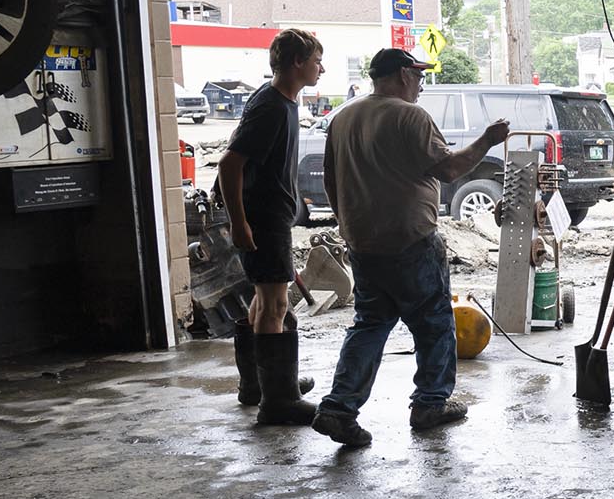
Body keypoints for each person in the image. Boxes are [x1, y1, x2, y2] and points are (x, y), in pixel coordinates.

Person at [310, 48, 509, 447]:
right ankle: (430, 404)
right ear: (402, 74)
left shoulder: (344, 117)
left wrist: (349, 226)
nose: (420, 85)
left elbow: (331, 180)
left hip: (364, 243)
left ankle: (339, 408)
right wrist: (487, 140)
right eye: (417, 76)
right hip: (410, 242)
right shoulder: (409, 115)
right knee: (434, 325)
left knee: (369, 326)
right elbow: (450, 168)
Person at [217, 28, 323, 426]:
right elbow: (230, 164)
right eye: (316, 61)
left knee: (264, 302)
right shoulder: (272, 107)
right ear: (297, 62)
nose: (321, 68)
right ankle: (279, 402)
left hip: (270, 216)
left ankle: (260, 386)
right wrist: (239, 222)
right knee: (276, 305)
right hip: (262, 219)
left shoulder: (280, 101)